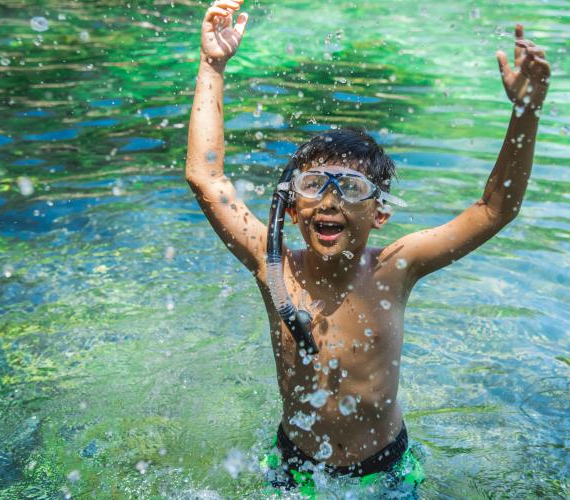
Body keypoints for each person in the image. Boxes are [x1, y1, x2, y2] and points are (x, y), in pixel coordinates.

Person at [185, 0, 550, 496]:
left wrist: (525, 112)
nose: (331, 200)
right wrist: (212, 64)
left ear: (379, 214)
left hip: (386, 469)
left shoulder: (396, 269)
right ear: (290, 208)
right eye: (315, 185)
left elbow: (493, 210)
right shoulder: (271, 264)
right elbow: (205, 177)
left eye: (351, 188)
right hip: (296, 467)